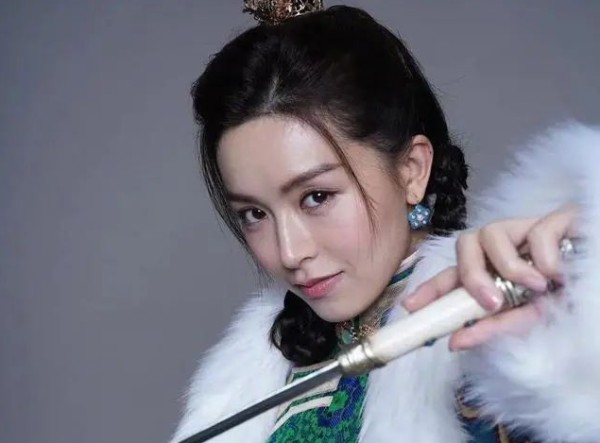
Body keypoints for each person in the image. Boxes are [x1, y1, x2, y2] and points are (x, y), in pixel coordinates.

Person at [168, 3, 600, 442]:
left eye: (317, 197)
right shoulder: (260, 373)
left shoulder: (506, 335)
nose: (289, 252)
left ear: (412, 170)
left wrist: (582, 288)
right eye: (255, 214)